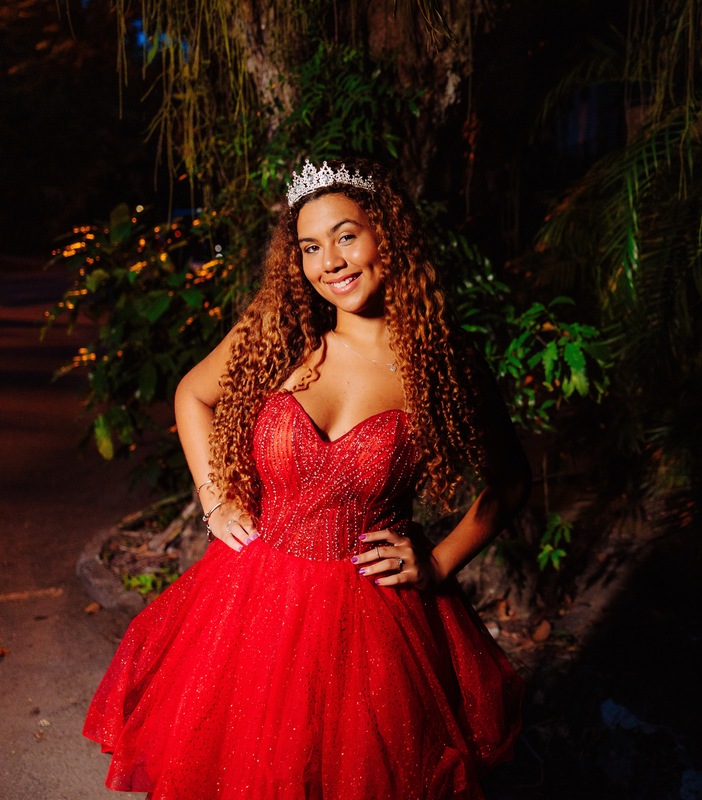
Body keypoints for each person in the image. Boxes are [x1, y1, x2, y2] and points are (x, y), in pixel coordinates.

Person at [84, 157, 529, 799]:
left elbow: (510, 482)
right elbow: (191, 395)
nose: (331, 262)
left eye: (346, 236)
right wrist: (215, 501)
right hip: (251, 602)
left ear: (386, 235)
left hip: (374, 624)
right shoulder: (284, 332)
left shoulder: (442, 363)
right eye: (311, 247)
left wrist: (436, 563)